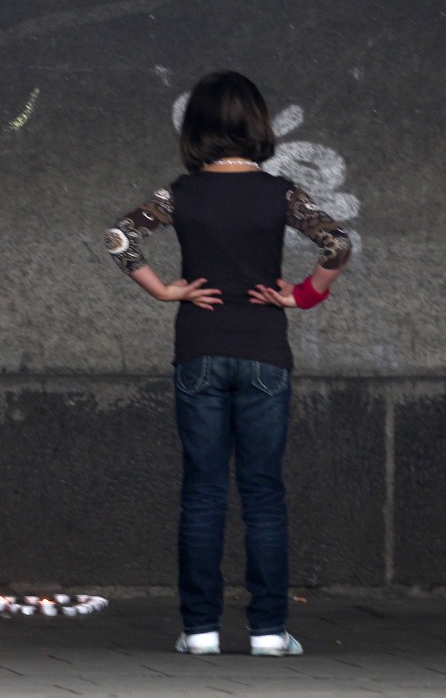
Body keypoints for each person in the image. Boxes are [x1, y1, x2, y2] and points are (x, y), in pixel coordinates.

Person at [105, 71, 352, 657]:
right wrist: (304, 294)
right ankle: (268, 631)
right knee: (263, 493)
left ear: (196, 130)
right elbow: (337, 243)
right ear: (258, 126)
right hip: (265, 354)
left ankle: (201, 630)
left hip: (199, 351)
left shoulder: (181, 194)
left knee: (203, 493)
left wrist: (165, 292)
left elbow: (120, 238)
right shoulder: (280, 192)